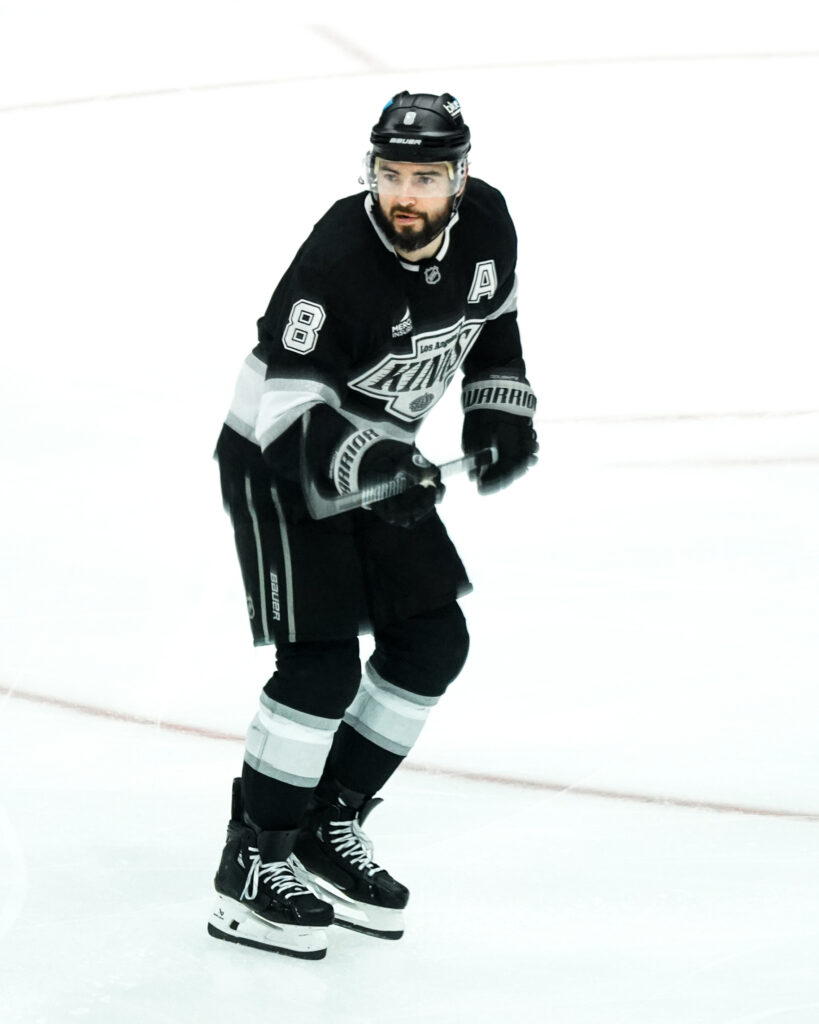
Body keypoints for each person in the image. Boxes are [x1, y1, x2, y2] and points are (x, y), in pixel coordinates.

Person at [207, 90, 538, 959]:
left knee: (431, 643)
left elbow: (492, 322)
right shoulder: (337, 259)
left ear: (459, 180)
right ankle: (253, 859)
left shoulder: (489, 226)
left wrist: (498, 409)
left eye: (425, 177)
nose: (405, 193)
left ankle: (327, 824)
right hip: (280, 462)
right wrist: (370, 465)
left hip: (384, 464)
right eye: (392, 173)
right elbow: (286, 403)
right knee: (319, 668)